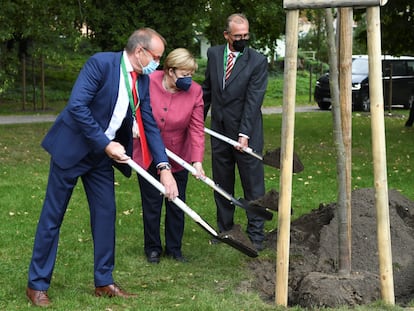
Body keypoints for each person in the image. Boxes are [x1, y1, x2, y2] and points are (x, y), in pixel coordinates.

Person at [26, 28, 179, 307]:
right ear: (140, 52)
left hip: (101, 159)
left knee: (106, 216)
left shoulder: (141, 80)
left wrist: (164, 166)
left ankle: (104, 281)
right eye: (157, 57)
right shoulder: (101, 64)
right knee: (53, 217)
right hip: (72, 150)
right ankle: (37, 284)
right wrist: (106, 144)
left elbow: (148, 125)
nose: (159, 63)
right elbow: (77, 106)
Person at [202, 13, 268, 251]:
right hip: (219, 130)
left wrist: (244, 133)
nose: (242, 39)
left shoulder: (257, 61)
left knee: (253, 185)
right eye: (238, 36)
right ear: (226, 35)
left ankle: (256, 234)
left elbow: (253, 101)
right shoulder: (213, 55)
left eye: (246, 35)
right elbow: (207, 90)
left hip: (246, 132)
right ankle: (226, 229)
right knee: (222, 182)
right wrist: (196, 122)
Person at [133, 48, 205, 264]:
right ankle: (153, 248)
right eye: (184, 74)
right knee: (152, 202)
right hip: (147, 154)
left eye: (191, 75)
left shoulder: (195, 92)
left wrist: (197, 161)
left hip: (178, 154)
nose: (188, 80)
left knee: (176, 202)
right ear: (170, 71)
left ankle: (174, 248)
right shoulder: (148, 82)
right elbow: (133, 109)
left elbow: (196, 129)